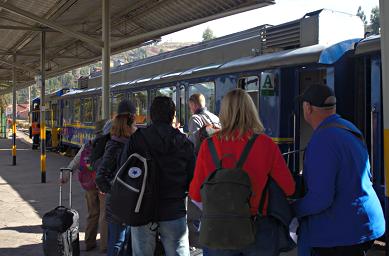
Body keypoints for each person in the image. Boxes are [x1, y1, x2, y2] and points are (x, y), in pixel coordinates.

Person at [189, 89, 295, 256]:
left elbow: (196, 195)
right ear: (252, 111)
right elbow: (289, 188)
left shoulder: (208, 146)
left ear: (223, 113)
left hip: (218, 231)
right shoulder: (266, 144)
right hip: (258, 230)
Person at [292, 84, 385, 256]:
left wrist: (293, 209)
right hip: (365, 221)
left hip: (341, 232)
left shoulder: (323, 140)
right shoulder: (349, 128)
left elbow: (321, 198)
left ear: (308, 108)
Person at [120, 96, 195, 256]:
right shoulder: (184, 142)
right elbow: (192, 177)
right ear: (172, 116)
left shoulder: (136, 139)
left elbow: (124, 171)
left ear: (151, 115)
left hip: (142, 209)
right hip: (174, 210)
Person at [95, 99, 137, 256]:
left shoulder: (118, 142)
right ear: (130, 119)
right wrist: (115, 191)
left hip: (125, 202)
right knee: (119, 242)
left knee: (123, 241)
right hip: (122, 202)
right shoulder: (116, 146)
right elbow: (100, 177)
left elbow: (101, 177)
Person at [62, 119, 109, 252]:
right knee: (104, 215)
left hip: (89, 184)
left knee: (92, 213)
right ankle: (104, 246)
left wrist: (66, 174)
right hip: (103, 184)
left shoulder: (89, 143)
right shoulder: (109, 143)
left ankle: (89, 243)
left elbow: (77, 160)